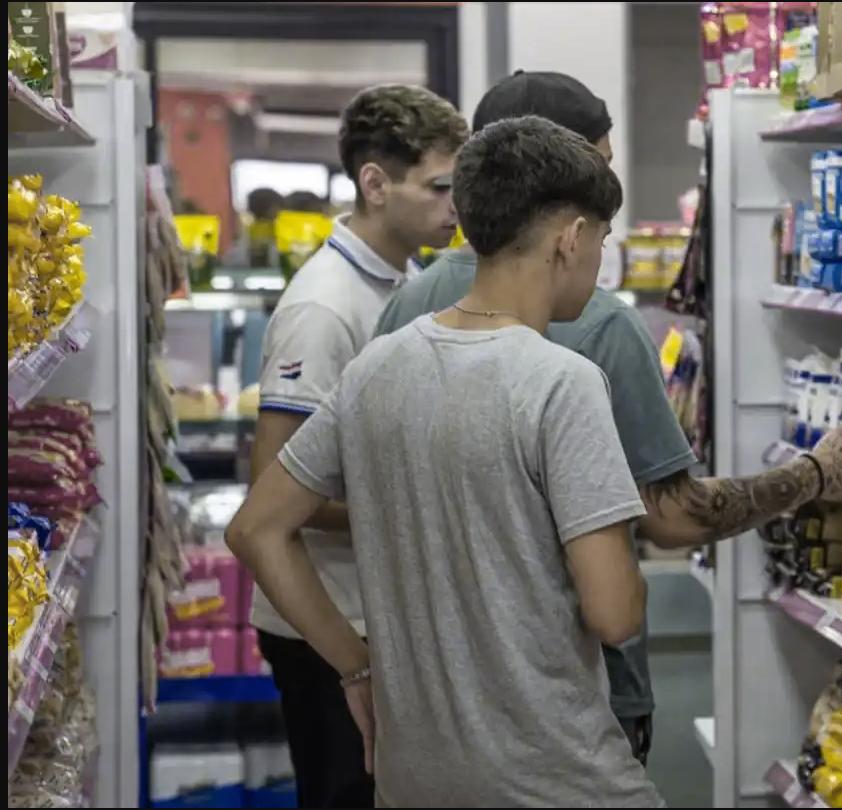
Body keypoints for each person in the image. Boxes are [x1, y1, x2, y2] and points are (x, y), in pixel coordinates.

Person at [374, 72, 842, 764]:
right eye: (601, 167)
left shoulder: (408, 308)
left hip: (430, 700)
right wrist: (813, 475)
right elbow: (670, 518)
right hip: (574, 703)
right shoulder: (598, 325)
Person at [227, 115, 660, 806]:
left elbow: (255, 529)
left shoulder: (376, 366)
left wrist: (355, 667)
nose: (598, 260)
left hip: (413, 779)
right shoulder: (562, 381)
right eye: (602, 241)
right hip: (557, 778)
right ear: (571, 238)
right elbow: (614, 614)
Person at [248, 84, 468, 808]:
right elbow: (275, 494)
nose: (456, 206)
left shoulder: (407, 281)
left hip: (379, 616)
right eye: (439, 187)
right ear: (375, 183)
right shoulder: (325, 307)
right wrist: (419, 509)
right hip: (330, 629)